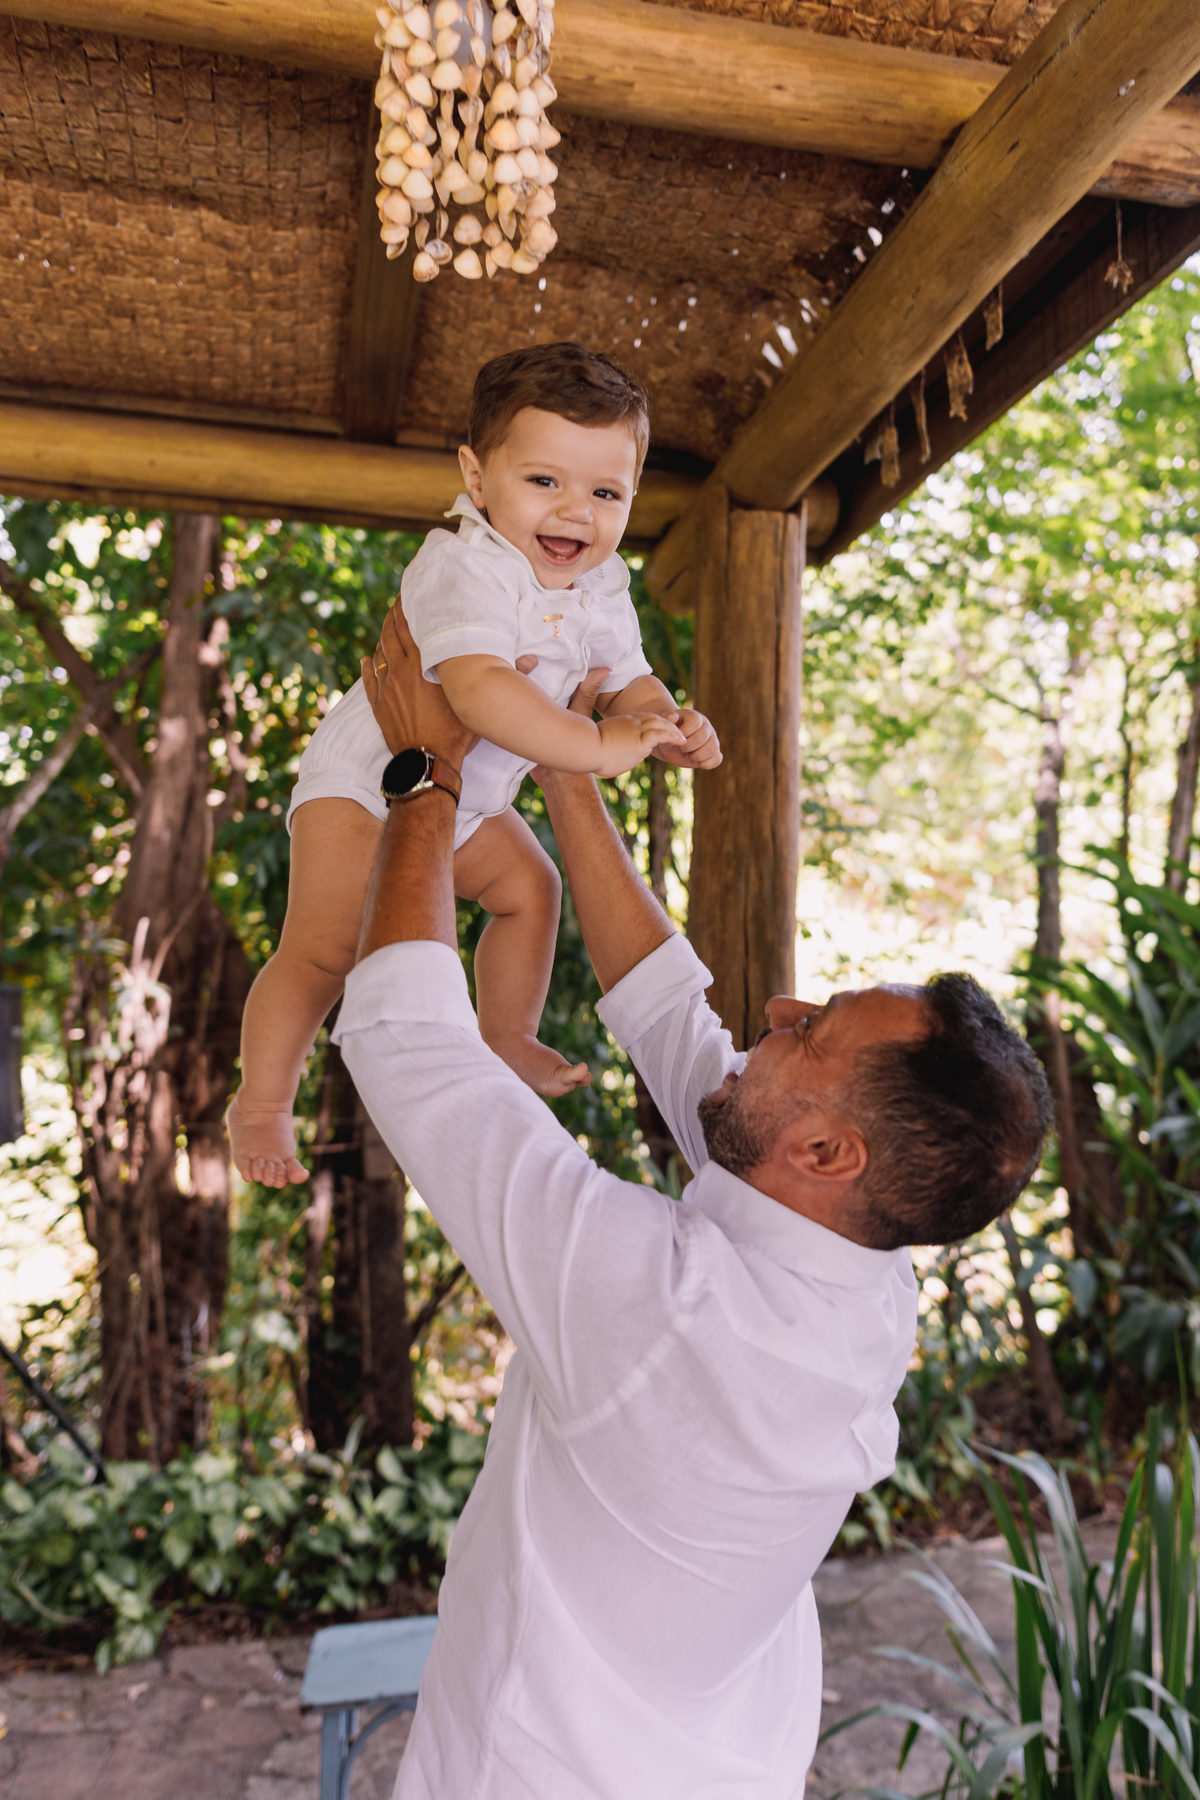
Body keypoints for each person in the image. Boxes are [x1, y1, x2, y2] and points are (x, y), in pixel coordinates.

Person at [332, 602, 1053, 1800]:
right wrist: (572, 758)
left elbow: (411, 1047)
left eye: (809, 1031)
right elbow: (674, 1019)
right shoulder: (866, 1272)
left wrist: (426, 771)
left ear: (825, 1152)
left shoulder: (668, 1315)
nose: (774, 1013)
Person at [226, 343, 720, 1187]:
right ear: (476, 474)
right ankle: (263, 1101)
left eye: (605, 493)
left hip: (470, 799)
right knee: (323, 950)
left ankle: (506, 1035)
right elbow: (483, 693)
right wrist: (601, 748)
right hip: (366, 782)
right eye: (544, 483)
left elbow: (626, 681)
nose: (575, 514)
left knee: (532, 892)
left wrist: (661, 722)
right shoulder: (465, 562)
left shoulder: (600, 586)